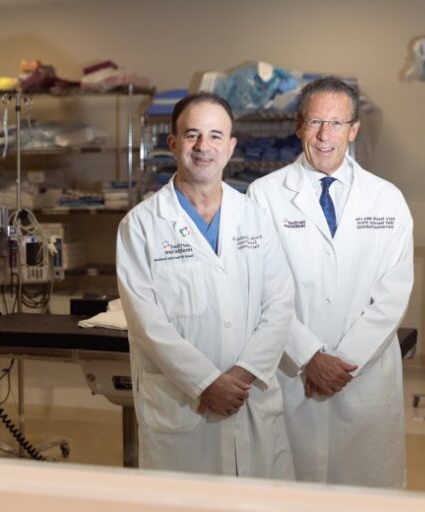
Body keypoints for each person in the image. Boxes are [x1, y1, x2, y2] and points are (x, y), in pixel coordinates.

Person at [116, 92, 295, 479]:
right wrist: (206, 382)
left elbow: (280, 304)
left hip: (250, 396)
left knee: (259, 501)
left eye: (215, 136)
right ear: (173, 143)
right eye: (192, 134)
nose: (203, 146)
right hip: (184, 404)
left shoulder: (255, 218)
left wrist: (242, 375)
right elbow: (147, 323)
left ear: (230, 147)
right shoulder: (142, 225)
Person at [247, 77, 414, 488]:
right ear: (298, 125)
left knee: (365, 491)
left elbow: (393, 295)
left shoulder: (387, 199)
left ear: (354, 130)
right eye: (316, 122)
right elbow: (258, 288)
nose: (325, 136)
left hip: (364, 376)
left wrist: (345, 363)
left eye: (337, 123)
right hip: (292, 373)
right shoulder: (263, 196)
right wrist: (310, 358)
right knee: (290, 490)